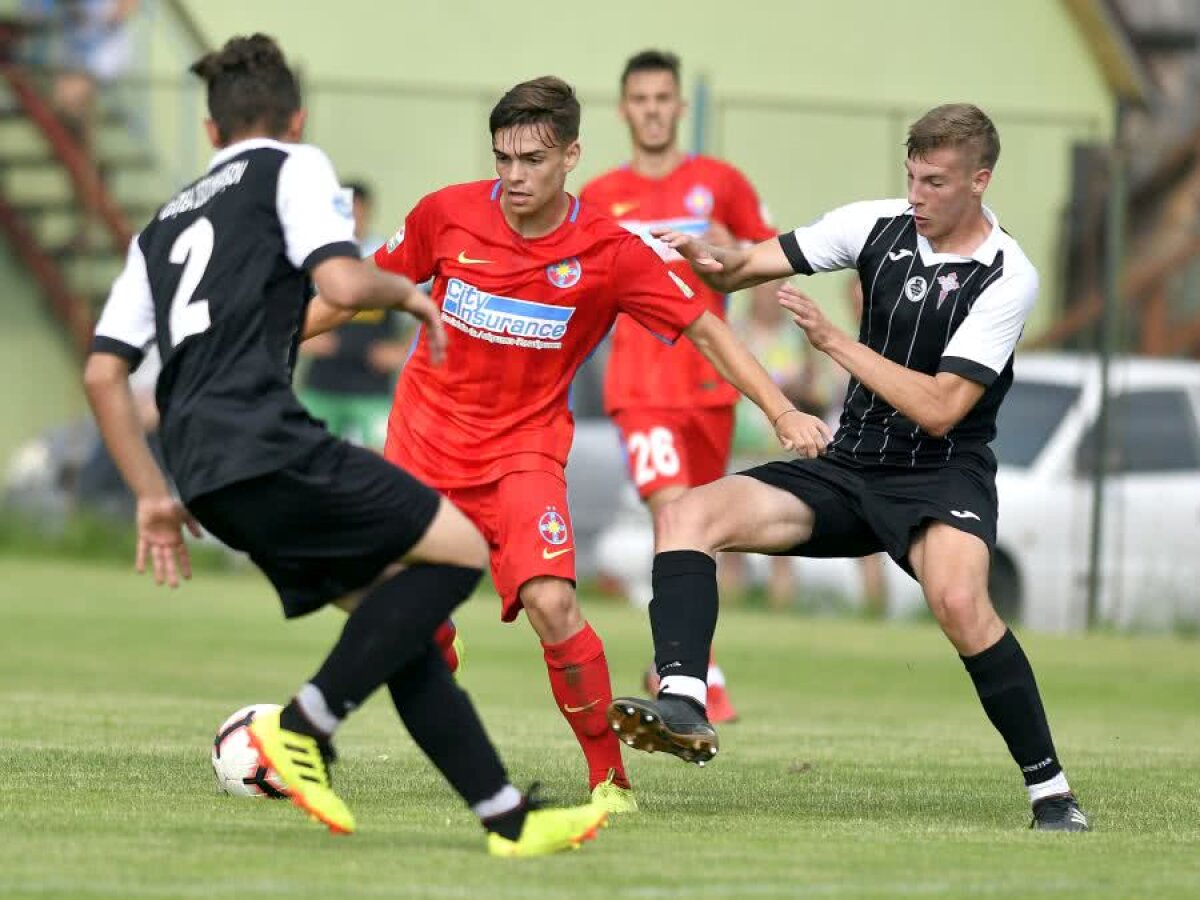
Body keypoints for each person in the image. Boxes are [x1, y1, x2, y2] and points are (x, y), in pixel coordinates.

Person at [83, 33, 608, 856]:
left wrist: (151, 493)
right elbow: (340, 282)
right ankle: (303, 727)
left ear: (211, 131)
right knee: (460, 550)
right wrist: (409, 294)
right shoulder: (293, 167)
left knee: (393, 622)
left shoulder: (165, 219)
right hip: (265, 440)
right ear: (295, 118)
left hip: (202, 470)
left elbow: (103, 374)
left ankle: (508, 819)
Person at [303, 75, 829, 813]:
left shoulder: (610, 251)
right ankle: (422, 688)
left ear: (572, 155)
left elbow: (707, 327)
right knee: (400, 613)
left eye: (533, 160)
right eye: (504, 158)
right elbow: (352, 292)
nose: (514, 177)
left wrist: (779, 410)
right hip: (424, 447)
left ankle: (610, 781)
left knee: (553, 604)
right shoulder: (446, 215)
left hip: (522, 454)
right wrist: (257, 348)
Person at [609, 103, 1090, 832]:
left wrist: (834, 341)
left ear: (979, 181)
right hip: (852, 462)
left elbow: (939, 407)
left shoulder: (1005, 275)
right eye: (911, 177)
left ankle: (1050, 791)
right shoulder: (877, 224)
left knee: (961, 605)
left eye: (934, 182)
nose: (917, 195)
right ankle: (683, 699)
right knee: (685, 514)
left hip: (941, 471)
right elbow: (745, 267)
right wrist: (710, 254)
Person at [580, 50, 777, 722]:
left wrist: (737, 256)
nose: (654, 110)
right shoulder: (602, 197)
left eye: (664, 98)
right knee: (672, 512)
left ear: (680, 108)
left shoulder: (720, 183)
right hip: (640, 387)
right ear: (624, 109)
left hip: (710, 388)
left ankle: (679, 665)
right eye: (641, 99)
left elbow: (766, 262)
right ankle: (704, 681)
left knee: (702, 535)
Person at [300, 181, 413, 450]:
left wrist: (402, 351)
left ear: (368, 212)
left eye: (357, 213)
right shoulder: (316, 260)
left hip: (371, 387)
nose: (351, 221)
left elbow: (429, 306)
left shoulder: (387, 258)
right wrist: (301, 339)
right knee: (307, 460)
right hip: (322, 385)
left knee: (386, 459)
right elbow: (286, 308)